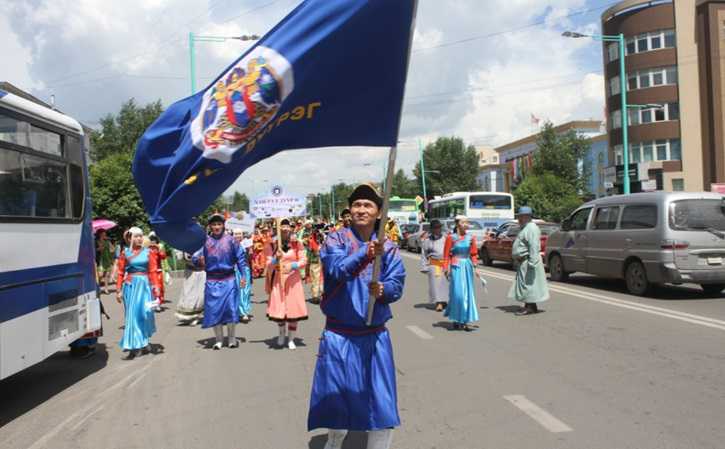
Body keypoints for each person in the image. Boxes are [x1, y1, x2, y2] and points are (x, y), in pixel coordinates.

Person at [308, 183, 406, 449]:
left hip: (374, 337)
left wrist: (385, 289)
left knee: (382, 404)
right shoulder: (336, 239)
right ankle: (334, 442)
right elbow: (337, 270)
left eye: (368, 205)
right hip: (339, 336)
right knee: (337, 402)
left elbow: (397, 283)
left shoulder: (391, 248)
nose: (361, 209)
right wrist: (366, 252)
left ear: (378, 212)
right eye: (357, 204)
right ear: (350, 210)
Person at [193, 214, 248, 350]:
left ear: (223, 225)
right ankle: (218, 339)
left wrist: (243, 277)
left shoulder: (232, 241)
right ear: (210, 226)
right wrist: (198, 260)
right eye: (214, 224)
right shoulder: (205, 241)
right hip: (212, 280)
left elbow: (241, 259)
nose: (216, 227)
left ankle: (231, 338)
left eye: (219, 224)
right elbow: (195, 257)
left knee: (231, 309)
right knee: (214, 310)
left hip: (229, 279)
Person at [116, 227, 160, 358]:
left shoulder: (148, 252)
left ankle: (144, 341)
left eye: (141, 236)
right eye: (136, 236)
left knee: (145, 315)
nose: (139, 238)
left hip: (145, 286)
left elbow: (153, 270)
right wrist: (118, 290)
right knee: (132, 316)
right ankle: (136, 345)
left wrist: (156, 286)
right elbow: (120, 272)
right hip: (130, 287)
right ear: (129, 238)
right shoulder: (125, 253)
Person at [266, 218, 308, 350]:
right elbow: (266, 263)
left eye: (287, 226)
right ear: (277, 229)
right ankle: (281, 334)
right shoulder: (271, 244)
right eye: (282, 226)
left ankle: (291, 338)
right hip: (278, 280)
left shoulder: (297, 243)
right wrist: (274, 259)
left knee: (293, 310)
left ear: (291, 228)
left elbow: (304, 260)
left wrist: (293, 265)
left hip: (293, 281)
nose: (284, 229)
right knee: (280, 309)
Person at [509, 206, 550, 315]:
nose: (519, 219)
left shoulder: (531, 228)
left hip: (529, 261)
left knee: (528, 284)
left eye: (520, 216)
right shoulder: (526, 227)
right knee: (527, 284)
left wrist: (532, 263)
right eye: (518, 216)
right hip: (524, 261)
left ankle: (530, 308)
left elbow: (534, 247)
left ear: (527, 216)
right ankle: (530, 306)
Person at [443, 215, 479, 331]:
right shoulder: (451, 238)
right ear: (458, 224)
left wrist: (475, 266)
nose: (467, 224)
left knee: (467, 293)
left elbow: (473, 254)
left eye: (467, 222)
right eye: (464, 222)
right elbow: (446, 254)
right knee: (457, 293)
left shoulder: (471, 238)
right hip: (456, 266)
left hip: (467, 266)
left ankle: (465, 320)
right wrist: (446, 268)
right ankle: (456, 318)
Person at [420, 219, 448, 312]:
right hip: (434, 263)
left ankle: (445, 301)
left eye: (439, 227)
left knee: (445, 283)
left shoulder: (446, 238)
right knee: (435, 284)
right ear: (432, 229)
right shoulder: (427, 241)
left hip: (445, 263)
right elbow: (424, 254)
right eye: (435, 228)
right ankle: (438, 302)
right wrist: (424, 267)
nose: (438, 229)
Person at [176, 249, 206, 325]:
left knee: (201, 295)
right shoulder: (184, 244)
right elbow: (179, 258)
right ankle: (190, 315)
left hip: (202, 271)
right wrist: (185, 255)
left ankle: (198, 315)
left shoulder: (204, 242)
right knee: (189, 293)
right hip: (190, 272)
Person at [233, 229, 253, 322]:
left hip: (245, 270)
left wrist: (250, 252)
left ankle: (245, 312)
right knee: (237, 291)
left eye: (239, 234)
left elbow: (250, 258)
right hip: (235, 270)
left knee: (245, 290)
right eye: (236, 234)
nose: (237, 236)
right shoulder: (230, 245)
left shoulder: (246, 244)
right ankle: (237, 312)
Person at [303, 221, 324, 305]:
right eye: (316, 229)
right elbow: (307, 245)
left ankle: (322, 293)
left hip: (321, 259)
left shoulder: (321, 236)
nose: (317, 231)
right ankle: (315, 295)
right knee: (315, 277)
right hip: (314, 259)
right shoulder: (309, 237)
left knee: (321, 277)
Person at [147, 233, 167, 311]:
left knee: (159, 287)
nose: (152, 242)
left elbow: (164, 257)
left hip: (158, 270)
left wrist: (159, 250)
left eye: (154, 240)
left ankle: (158, 303)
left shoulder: (158, 247)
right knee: (151, 288)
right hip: (149, 272)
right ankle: (153, 303)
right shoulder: (147, 249)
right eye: (151, 240)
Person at [95, 229, 114, 294]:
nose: (105, 234)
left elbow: (112, 249)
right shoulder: (96, 241)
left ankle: (106, 289)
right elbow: (94, 250)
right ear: (100, 234)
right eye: (103, 233)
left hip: (107, 259)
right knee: (100, 275)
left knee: (107, 275)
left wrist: (110, 245)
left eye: (105, 233)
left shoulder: (107, 241)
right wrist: (99, 249)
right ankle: (98, 287)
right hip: (100, 259)